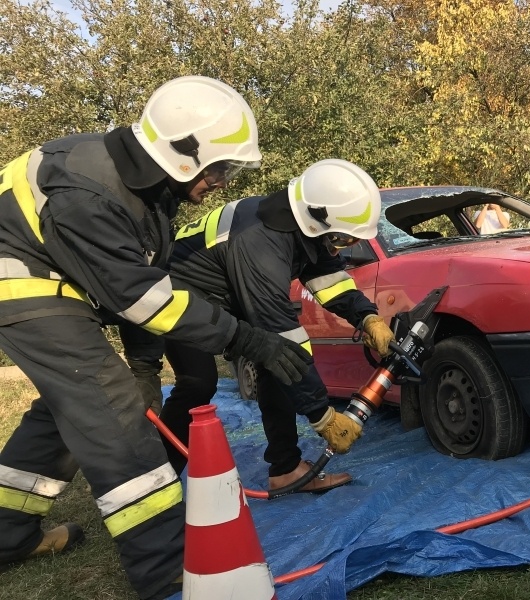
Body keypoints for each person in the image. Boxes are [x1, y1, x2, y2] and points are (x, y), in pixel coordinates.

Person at [0, 76, 311, 600]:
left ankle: (5, 537)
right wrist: (245, 339)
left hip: (50, 283)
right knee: (111, 408)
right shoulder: (88, 192)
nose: (222, 181)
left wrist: (144, 365)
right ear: (182, 155)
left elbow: (147, 286)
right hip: (21, 284)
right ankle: (165, 567)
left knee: (67, 407)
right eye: (219, 168)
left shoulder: (149, 192)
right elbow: (143, 299)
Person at [150, 159, 395, 492]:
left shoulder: (301, 228)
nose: (342, 246)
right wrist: (321, 415)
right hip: (177, 294)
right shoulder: (260, 241)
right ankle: (157, 481)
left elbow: (331, 281)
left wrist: (367, 317)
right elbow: (281, 332)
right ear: (320, 221)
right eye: (343, 238)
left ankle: (286, 469)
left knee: (275, 368)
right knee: (198, 382)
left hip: (224, 294)